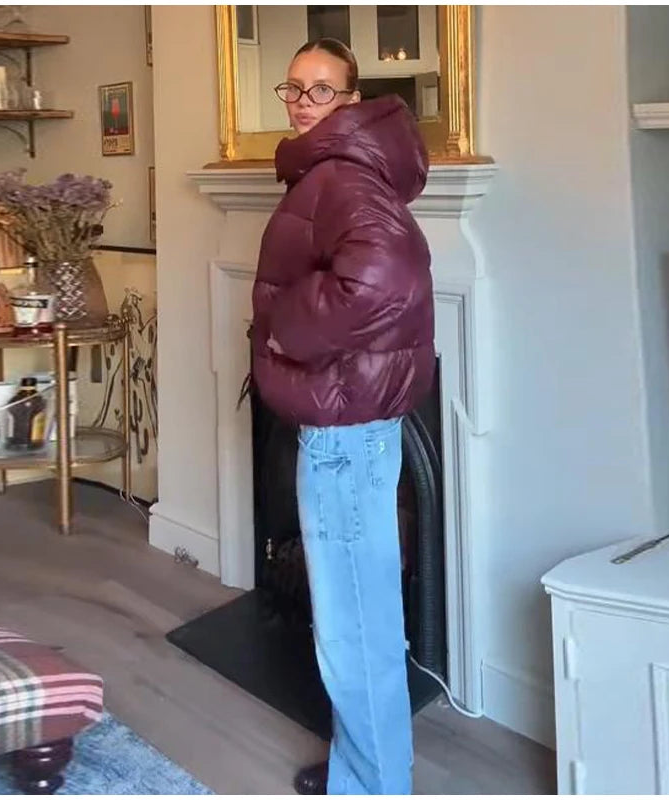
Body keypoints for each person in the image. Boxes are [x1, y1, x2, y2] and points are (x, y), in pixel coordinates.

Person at [251, 37, 435, 795]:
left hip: (343, 435)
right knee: (363, 617)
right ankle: (366, 770)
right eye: (293, 88)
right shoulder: (341, 168)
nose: (303, 102)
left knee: (353, 627)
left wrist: (284, 329)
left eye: (321, 90)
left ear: (352, 101)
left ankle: (373, 786)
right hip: (356, 423)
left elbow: (385, 280)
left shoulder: (342, 176)